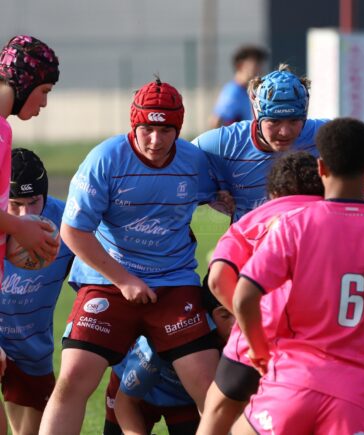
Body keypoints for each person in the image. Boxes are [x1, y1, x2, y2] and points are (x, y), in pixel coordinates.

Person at [39, 77, 221, 435]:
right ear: (133, 125)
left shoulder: (194, 161)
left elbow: (214, 192)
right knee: (73, 377)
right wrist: (124, 280)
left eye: (166, 130)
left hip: (173, 283)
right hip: (108, 281)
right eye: (147, 129)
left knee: (211, 387)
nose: (155, 140)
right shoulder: (105, 159)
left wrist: (221, 199)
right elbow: (73, 231)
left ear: (178, 128)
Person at [231, 118, 364, 435]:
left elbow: (244, 297)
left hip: (293, 383)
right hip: (360, 393)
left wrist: (258, 348)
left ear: (321, 167)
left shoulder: (295, 224)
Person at [196, 151, 324, 435]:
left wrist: (248, 321)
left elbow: (217, 279)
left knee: (217, 410)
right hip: (317, 343)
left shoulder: (251, 221)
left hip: (255, 340)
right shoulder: (335, 218)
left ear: (273, 192)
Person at [194, 64, 364, 223]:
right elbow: (181, 164)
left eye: (294, 120)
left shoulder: (328, 136)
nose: (285, 131)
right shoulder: (224, 144)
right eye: (274, 121)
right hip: (252, 252)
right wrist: (212, 195)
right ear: (256, 114)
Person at [0, 35, 60, 435]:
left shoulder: (4, 131)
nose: (44, 103)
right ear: (24, 82)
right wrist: (19, 227)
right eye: (45, 91)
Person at [0, 148, 74, 435]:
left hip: (31, 347)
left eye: (33, 202)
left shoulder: (67, 223)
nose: (26, 214)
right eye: (15, 204)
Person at [104, 284, 234, 435]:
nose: (237, 325)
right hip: (135, 394)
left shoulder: (242, 340)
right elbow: (125, 403)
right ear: (215, 314)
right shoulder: (168, 337)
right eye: (226, 315)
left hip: (182, 400)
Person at [209, 45, 269, 128]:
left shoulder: (251, 91)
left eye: (261, 65)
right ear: (240, 65)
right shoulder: (233, 92)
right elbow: (216, 121)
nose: (260, 70)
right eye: (256, 64)